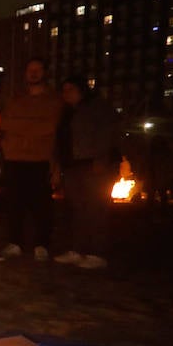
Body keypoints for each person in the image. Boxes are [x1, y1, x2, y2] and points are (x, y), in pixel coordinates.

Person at [0, 57, 62, 261]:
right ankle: (15, 242)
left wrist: (18, 125)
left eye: (38, 69)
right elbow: (2, 123)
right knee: (14, 203)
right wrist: (31, 125)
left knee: (41, 206)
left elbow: (49, 127)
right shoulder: (15, 99)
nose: (33, 73)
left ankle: (41, 244)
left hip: (40, 159)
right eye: (30, 70)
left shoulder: (53, 101)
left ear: (45, 72)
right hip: (14, 158)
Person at [52, 76, 118, 269]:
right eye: (63, 90)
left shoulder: (98, 107)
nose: (66, 93)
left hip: (94, 165)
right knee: (77, 209)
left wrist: (101, 159)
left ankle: (97, 252)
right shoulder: (66, 112)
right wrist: (57, 167)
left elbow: (110, 134)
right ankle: (77, 249)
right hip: (73, 166)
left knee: (96, 208)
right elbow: (61, 141)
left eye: (71, 89)